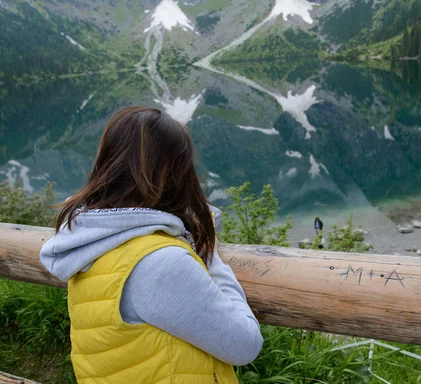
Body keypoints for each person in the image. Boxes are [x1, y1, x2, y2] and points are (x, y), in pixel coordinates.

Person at [40, 106, 262, 384]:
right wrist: (209, 254)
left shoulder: (89, 241)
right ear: (175, 174)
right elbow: (244, 345)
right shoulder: (160, 263)